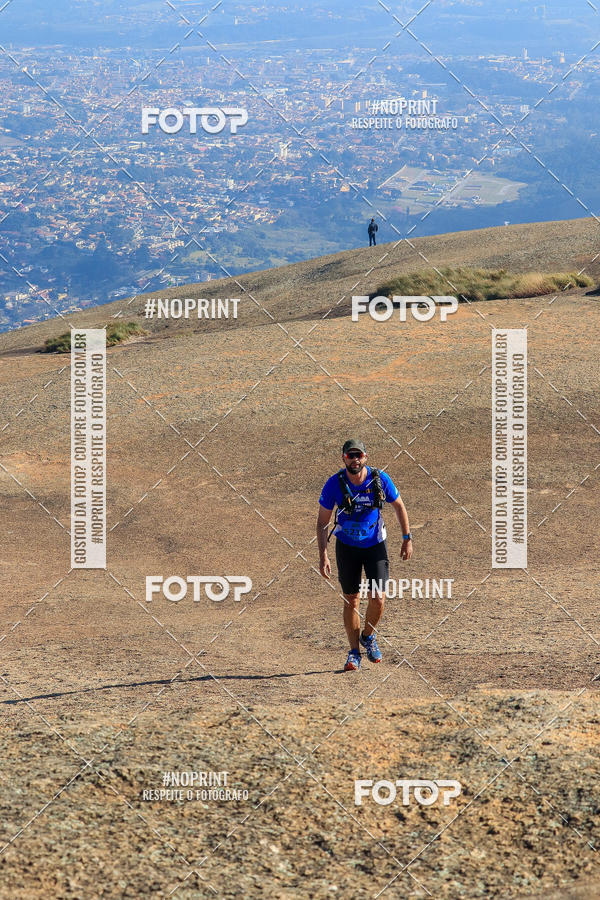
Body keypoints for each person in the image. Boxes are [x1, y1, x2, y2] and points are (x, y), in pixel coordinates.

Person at [316, 439, 413, 671]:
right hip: (347, 548)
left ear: (365, 457)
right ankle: (353, 653)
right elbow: (322, 523)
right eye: (350, 456)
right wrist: (323, 555)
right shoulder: (333, 484)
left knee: (378, 598)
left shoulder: (379, 480)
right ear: (343, 458)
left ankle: (368, 637)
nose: (354, 459)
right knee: (351, 599)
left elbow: (399, 506)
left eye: (358, 455)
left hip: (374, 546)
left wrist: (407, 538)